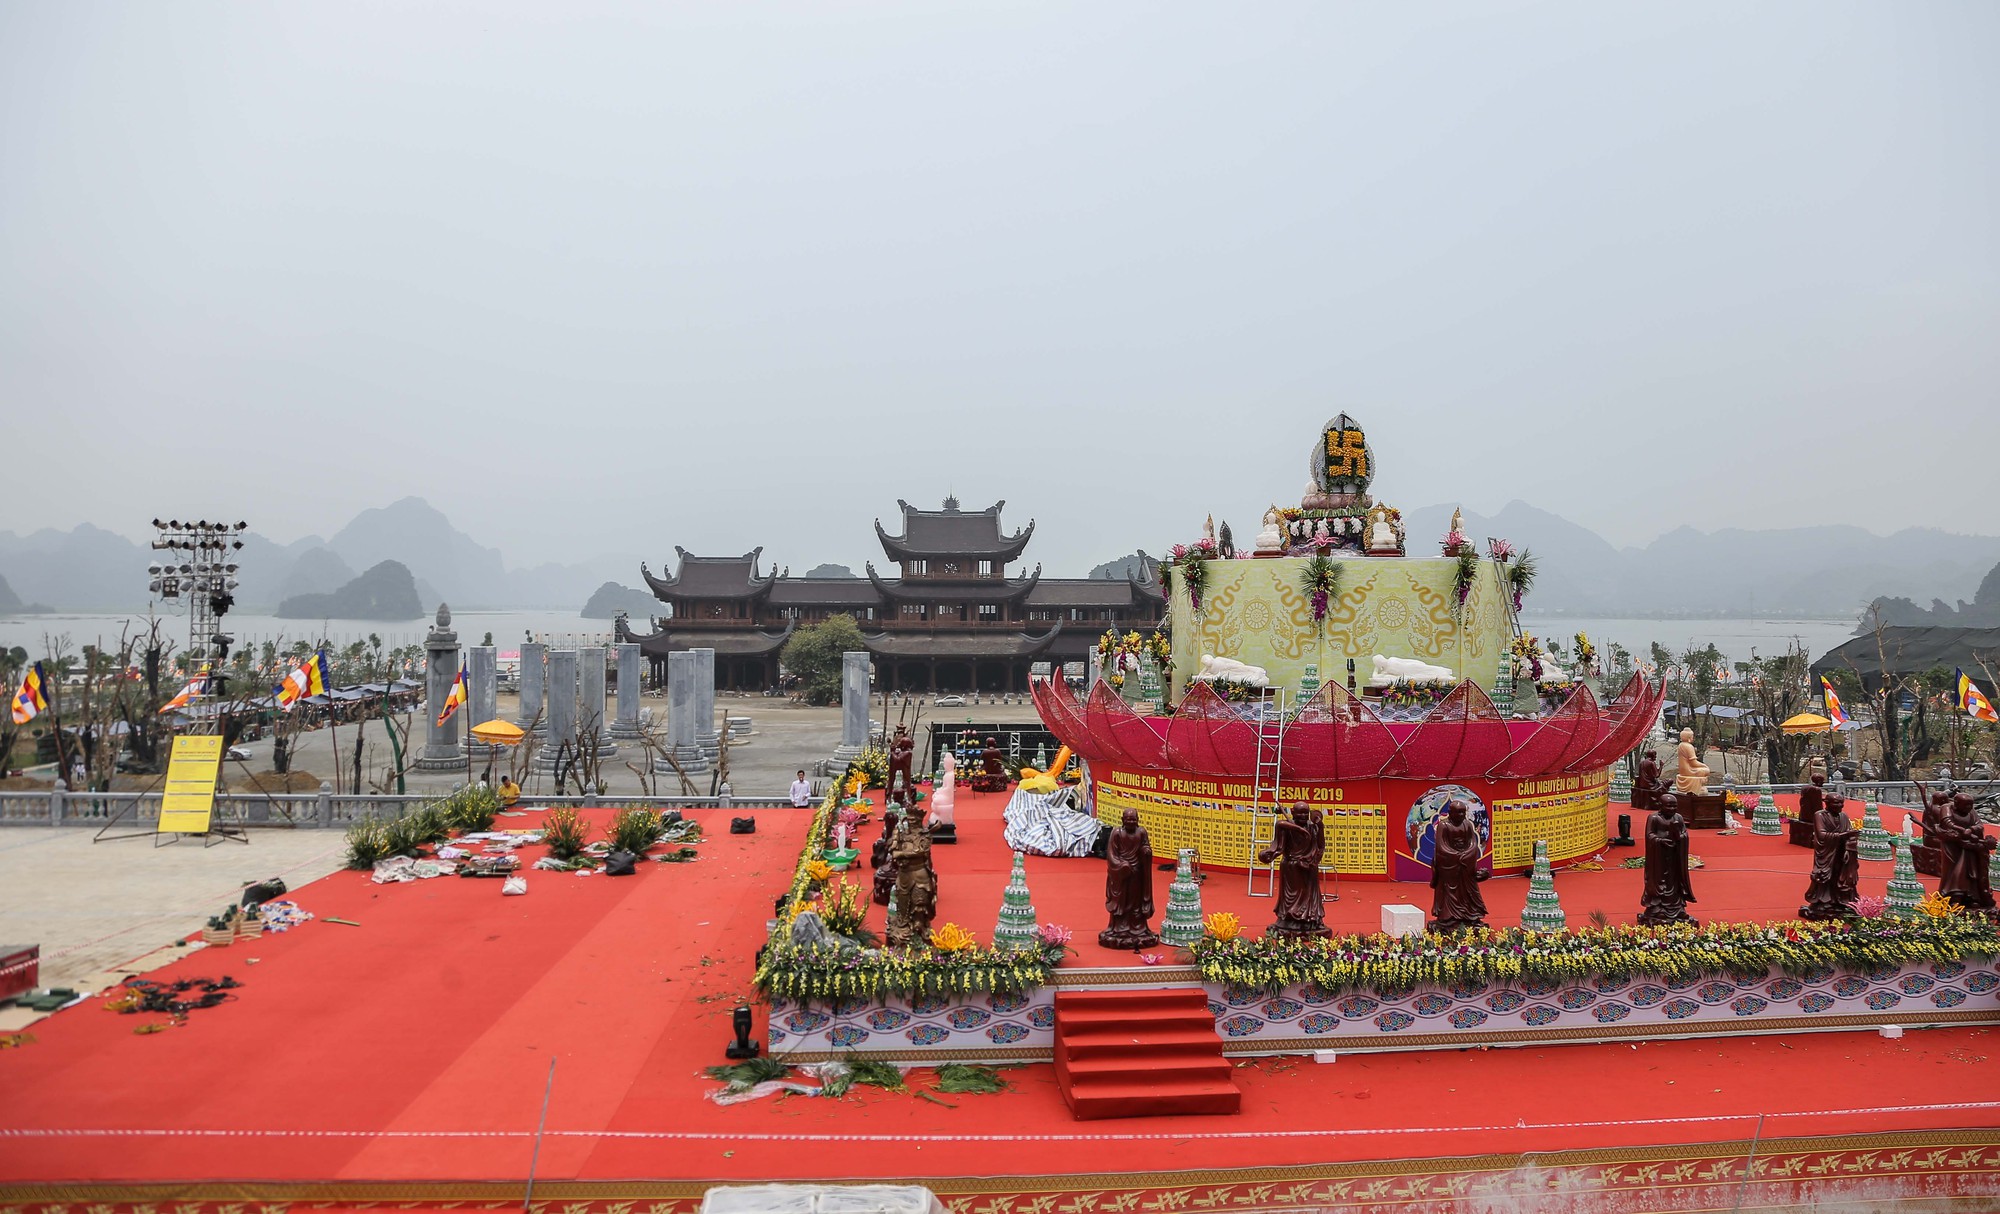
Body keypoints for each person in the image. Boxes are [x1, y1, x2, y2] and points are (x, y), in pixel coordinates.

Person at [1259, 802, 1330, 938]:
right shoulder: (1287, 827)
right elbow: (1279, 825)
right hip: (1291, 867)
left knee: (1310, 895)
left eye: (1305, 813)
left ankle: (1310, 920)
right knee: (1291, 897)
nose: (1303, 816)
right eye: (1299, 813)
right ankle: (1289, 920)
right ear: (1293, 812)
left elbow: (1320, 845)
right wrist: (1299, 830)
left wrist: (1320, 826)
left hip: (1308, 867)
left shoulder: (1312, 827)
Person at [1099, 808, 1159, 949]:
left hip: (1137, 874)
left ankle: (1138, 927)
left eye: (1134, 819)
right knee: (1122, 902)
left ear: (1138, 820)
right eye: (1128, 819)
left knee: (1136, 902)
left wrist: (1146, 852)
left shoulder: (1141, 832)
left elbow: (1146, 847)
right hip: (1122, 874)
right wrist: (1122, 865)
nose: (1131, 822)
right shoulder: (1117, 833)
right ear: (1122, 820)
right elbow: (1111, 855)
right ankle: (1119, 928)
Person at [1428, 799, 1488, 932]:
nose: (1461, 815)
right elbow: (1441, 847)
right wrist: (1457, 856)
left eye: (1463, 812)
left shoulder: (1467, 824)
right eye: (1458, 812)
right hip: (1449, 865)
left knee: (1469, 889)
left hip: (1465, 863)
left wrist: (1466, 854)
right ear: (1450, 813)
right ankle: (1448, 917)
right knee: (1449, 890)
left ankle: (1471, 916)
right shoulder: (1444, 825)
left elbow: (1473, 844)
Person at [1639, 792, 1698, 926]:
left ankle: (1676, 908)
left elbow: (1684, 834)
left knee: (1674, 881)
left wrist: (1679, 837)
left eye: (1674, 806)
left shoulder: (1679, 818)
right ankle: (1657, 907)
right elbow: (1650, 835)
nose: (1672, 809)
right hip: (1658, 857)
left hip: (1674, 855)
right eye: (1669, 806)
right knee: (1659, 881)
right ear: (1660, 805)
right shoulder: (1654, 818)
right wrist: (1660, 841)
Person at [1800, 792, 1859, 920]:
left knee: (1842, 876)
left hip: (1842, 852)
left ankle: (1840, 901)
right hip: (1827, 852)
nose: (1840, 805)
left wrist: (1850, 845)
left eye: (1841, 802)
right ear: (1827, 803)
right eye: (1836, 803)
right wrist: (1843, 836)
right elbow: (1821, 835)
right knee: (1825, 876)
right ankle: (1823, 902)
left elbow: (1849, 834)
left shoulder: (1843, 816)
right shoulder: (1819, 815)